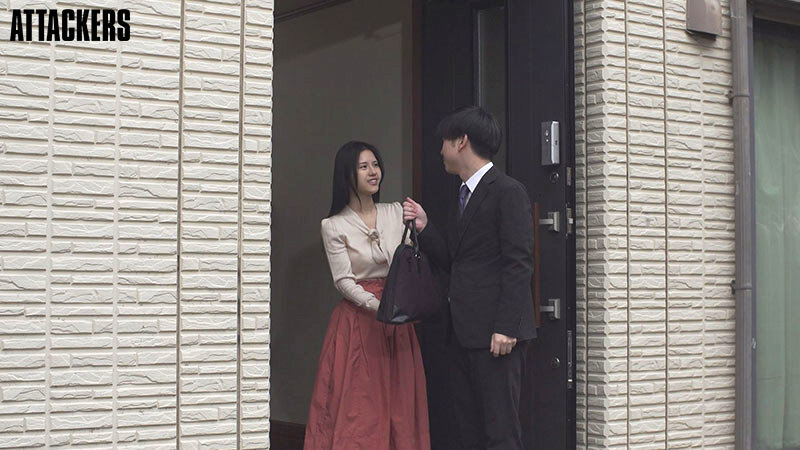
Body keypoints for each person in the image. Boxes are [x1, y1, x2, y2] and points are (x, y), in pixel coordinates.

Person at [403, 106, 536, 449]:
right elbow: (457, 260)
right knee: (468, 431)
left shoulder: (507, 191)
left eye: (444, 142)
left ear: (461, 142)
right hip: (464, 332)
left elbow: (518, 263)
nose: (440, 151)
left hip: (496, 335)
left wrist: (506, 326)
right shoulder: (463, 194)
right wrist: (425, 228)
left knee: (500, 432)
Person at [304, 141, 431, 450]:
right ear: (346, 174)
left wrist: (399, 303)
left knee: (401, 402)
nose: (373, 172)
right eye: (363, 167)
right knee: (360, 407)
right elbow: (343, 281)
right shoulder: (333, 225)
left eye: (375, 165)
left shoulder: (396, 211)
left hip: (397, 319)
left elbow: (409, 261)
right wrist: (379, 306)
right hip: (359, 322)